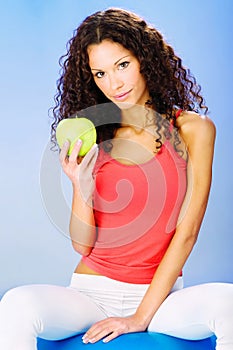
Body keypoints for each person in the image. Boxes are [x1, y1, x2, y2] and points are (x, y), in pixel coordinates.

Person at [0, 7, 233, 350]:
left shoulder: (194, 130)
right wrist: (81, 185)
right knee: (17, 304)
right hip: (91, 293)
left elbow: (188, 232)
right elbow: (82, 245)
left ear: (146, 59)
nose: (114, 84)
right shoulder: (96, 136)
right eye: (100, 73)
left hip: (162, 298)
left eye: (122, 65)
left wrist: (139, 317)